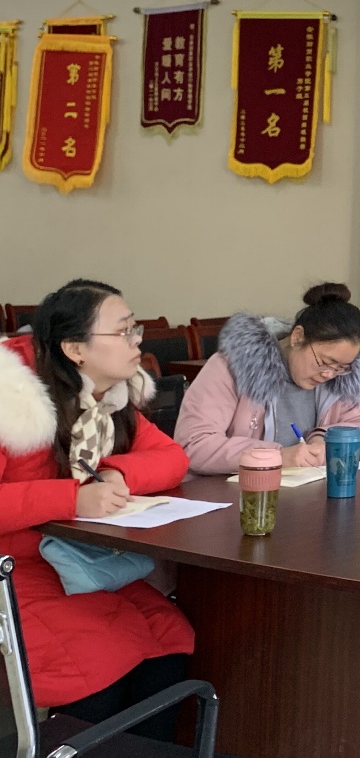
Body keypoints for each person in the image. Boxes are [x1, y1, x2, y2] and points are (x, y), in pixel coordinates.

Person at [0, 279, 194, 740]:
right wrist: (71, 497)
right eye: (123, 332)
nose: (137, 343)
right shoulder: (12, 401)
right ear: (75, 349)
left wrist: (118, 474)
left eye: (135, 329)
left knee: (169, 641)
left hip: (81, 559)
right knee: (95, 662)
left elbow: (172, 458)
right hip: (16, 568)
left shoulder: (109, 398)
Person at [175, 283, 360, 474]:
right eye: (324, 362)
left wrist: (325, 440)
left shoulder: (337, 381)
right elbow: (194, 444)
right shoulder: (233, 367)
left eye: (341, 367)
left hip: (307, 493)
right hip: (240, 493)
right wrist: (277, 456)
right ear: (297, 337)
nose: (329, 374)